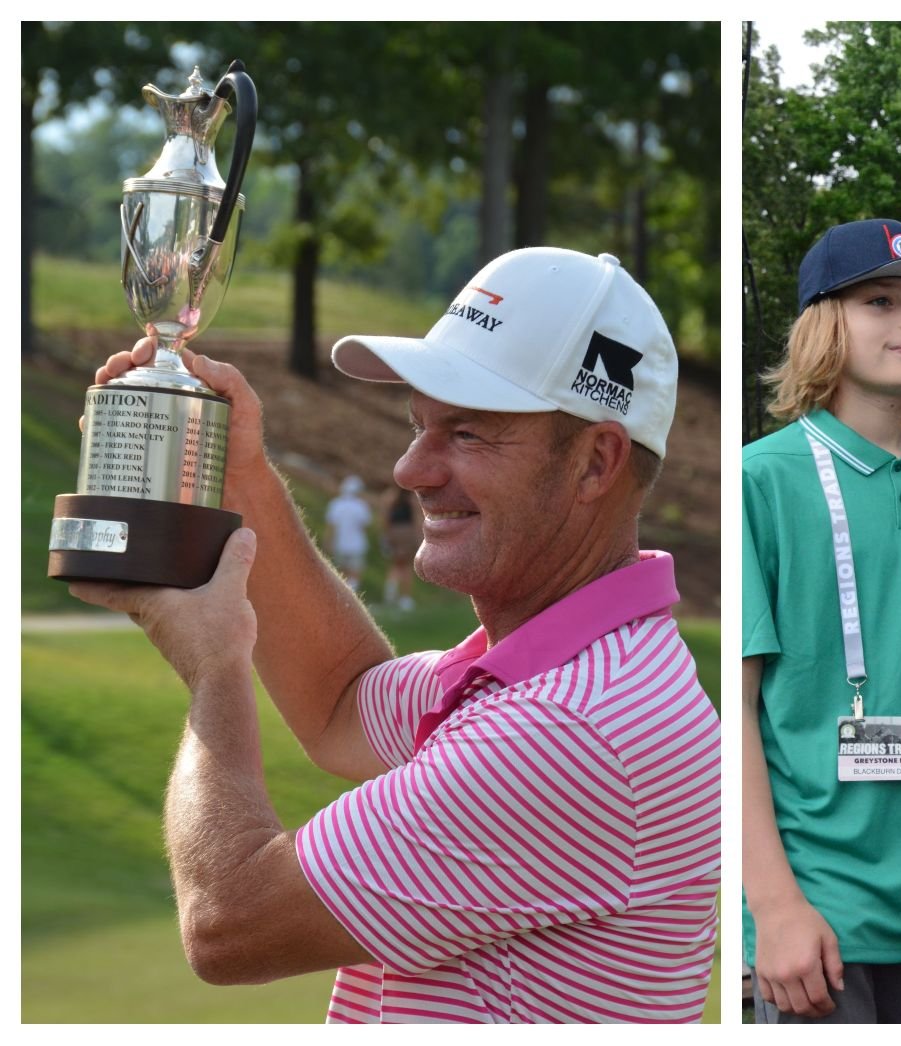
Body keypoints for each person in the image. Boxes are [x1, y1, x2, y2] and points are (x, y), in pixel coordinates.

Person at [70, 247, 719, 1024]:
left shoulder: (570, 725)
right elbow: (341, 703)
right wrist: (240, 474)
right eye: (418, 425)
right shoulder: (571, 670)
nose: (411, 468)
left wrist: (214, 667)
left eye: (468, 434)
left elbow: (229, 923)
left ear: (595, 462)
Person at [742, 218, 901, 1024]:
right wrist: (774, 908)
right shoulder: (761, 479)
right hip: (816, 914)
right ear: (823, 323)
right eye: (879, 300)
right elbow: (734, 714)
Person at [324, 475, 372, 591]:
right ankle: (353, 595)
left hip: (340, 544)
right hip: (357, 545)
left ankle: (343, 595)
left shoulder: (336, 504)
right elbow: (364, 526)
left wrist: (327, 543)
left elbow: (331, 527)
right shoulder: (361, 506)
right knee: (355, 572)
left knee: (341, 572)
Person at [380, 485, 420, 610]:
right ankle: (405, 598)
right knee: (407, 567)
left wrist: (386, 535)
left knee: (395, 565)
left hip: (394, 533)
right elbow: (415, 519)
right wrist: (418, 537)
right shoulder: (412, 498)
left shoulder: (389, 497)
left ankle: (390, 592)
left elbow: (385, 518)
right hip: (407, 533)